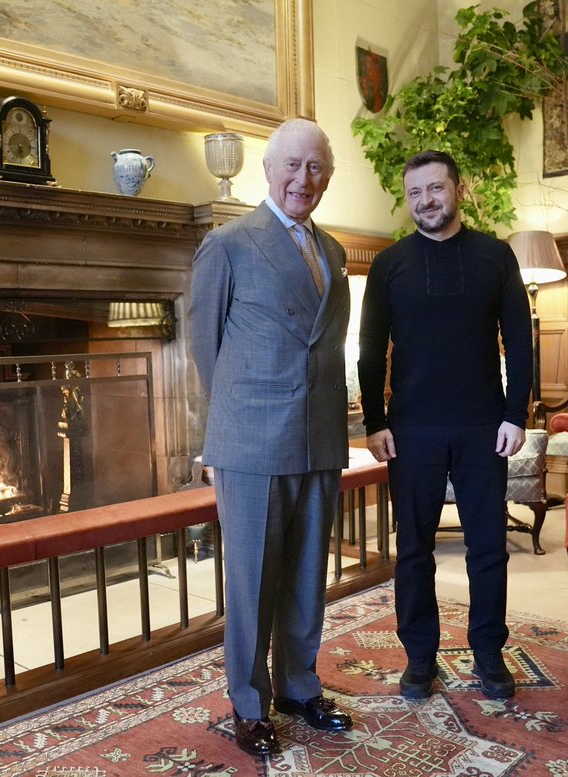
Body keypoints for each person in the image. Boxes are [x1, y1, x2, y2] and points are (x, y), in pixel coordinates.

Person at [188, 118, 352, 757]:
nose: (302, 179)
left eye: (315, 168)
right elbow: (207, 351)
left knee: (309, 574)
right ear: (267, 169)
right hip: (252, 441)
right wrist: (233, 425)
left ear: (327, 178)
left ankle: (299, 687)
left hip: (319, 439)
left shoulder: (333, 252)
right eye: (291, 165)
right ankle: (249, 704)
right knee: (253, 582)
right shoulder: (227, 244)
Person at [357, 150, 532, 701]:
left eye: (435, 189)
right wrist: (374, 421)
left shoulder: (495, 256)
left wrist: (514, 413)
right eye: (415, 193)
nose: (426, 201)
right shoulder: (389, 265)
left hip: (484, 425)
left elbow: (521, 341)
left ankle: (488, 654)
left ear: (458, 189)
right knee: (413, 551)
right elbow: (369, 350)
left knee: (489, 549)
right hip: (411, 430)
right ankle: (419, 658)